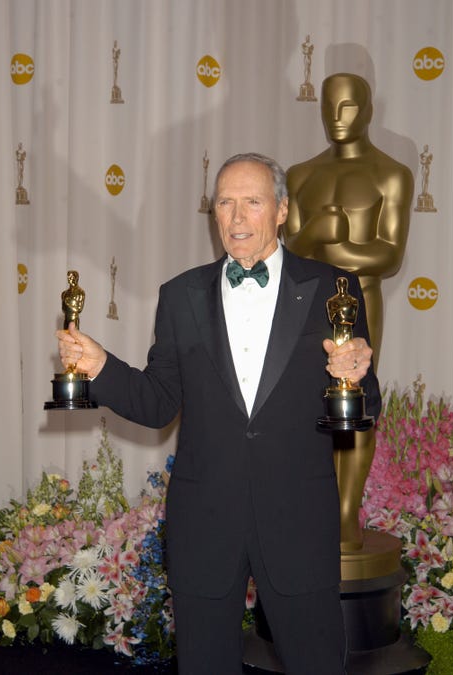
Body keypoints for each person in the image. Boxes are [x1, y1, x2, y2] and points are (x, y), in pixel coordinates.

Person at [55, 153, 380, 674]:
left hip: (298, 521)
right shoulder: (180, 295)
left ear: (282, 211)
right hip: (205, 523)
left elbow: (364, 409)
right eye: (224, 203)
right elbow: (158, 401)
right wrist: (100, 367)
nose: (235, 218)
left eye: (252, 202)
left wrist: (360, 374)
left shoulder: (333, 290)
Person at [284, 73, 413, 553]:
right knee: (302, 404)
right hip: (303, 303)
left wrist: (329, 242)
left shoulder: (391, 174)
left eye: (349, 107)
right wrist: (319, 229)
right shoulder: (300, 175)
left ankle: (345, 515)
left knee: (356, 404)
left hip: (361, 298)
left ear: (369, 108)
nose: (336, 119)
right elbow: (292, 250)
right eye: (329, 107)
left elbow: (388, 256)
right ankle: (312, 509)